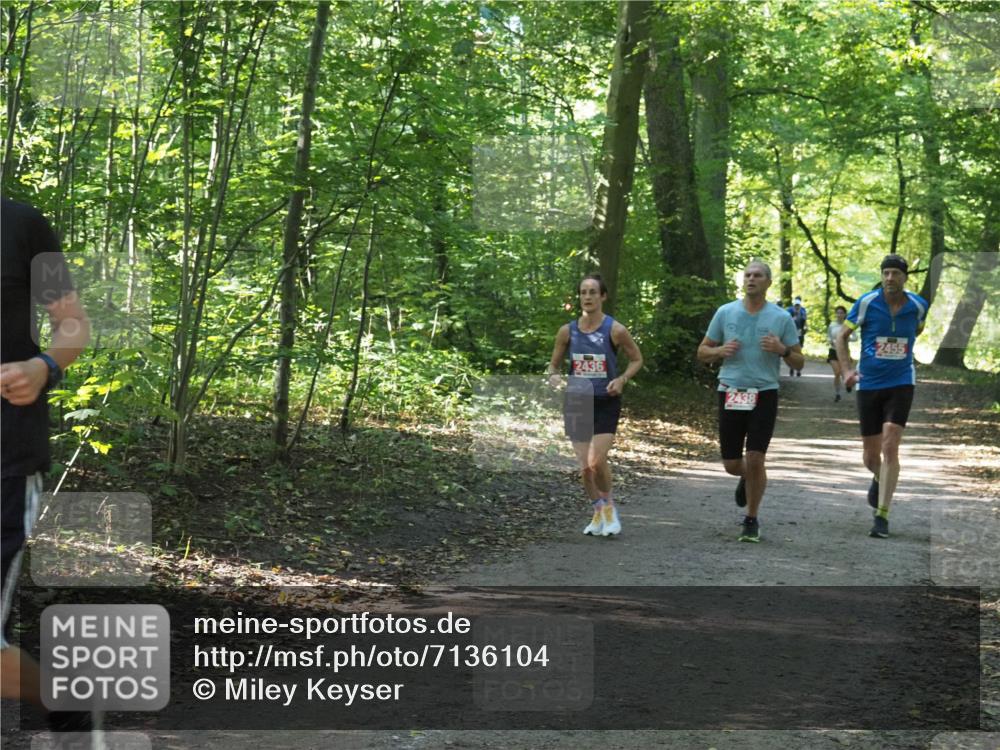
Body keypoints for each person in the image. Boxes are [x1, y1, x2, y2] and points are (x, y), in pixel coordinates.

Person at [1, 198, 95, 737]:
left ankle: (67, 696)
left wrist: (43, 367)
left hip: (4, 464)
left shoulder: (21, 224)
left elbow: (74, 325)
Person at [697, 260, 804, 542]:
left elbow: (799, 360)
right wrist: (720, 350)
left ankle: (751, 518)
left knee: (756, 457)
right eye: (747, 275)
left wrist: (782, 350)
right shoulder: (725, 312)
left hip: (764, 393)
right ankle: (749, 477)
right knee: (732, 464)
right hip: (730, 391)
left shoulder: (781, 318)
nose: (751, 279)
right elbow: (702, 352)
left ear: (768, 282)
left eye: (757, 276)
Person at [836, 254, 927, 539]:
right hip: (869, 384)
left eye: (895, 274)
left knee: (891, 444)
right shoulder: (866, 303)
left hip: (901, 381)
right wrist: (847, 371)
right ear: (882, 276)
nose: (890, 278)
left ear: (905, 277)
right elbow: (841, 337)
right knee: (870, 455)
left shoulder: (917, 306)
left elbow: (917, 330)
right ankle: (878, 476)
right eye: (886, 273)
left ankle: (882, 516)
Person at [548, 274, 642, 537]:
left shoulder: (616, 330)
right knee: (584, 467)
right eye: (583, 292)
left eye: (592, 292)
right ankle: (598, 511)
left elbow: (637, 360)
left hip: (605, 401)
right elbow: (553, 365)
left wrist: (622, 379)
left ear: (603, 296)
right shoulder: (567, 331)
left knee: (597, 461)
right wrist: (554, 377)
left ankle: (610, 510)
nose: (587, 297)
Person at [826, 305, 856, 401]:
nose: (839, 315)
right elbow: (828, 337)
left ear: (845, 314)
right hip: (833, 351)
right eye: (837, 313)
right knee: (837, 372)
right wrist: (831, 341)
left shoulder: (848, 325)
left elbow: (855, 337)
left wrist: (847, 339)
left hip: (844, 351)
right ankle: (837, 393)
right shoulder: (832, 325)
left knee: (844, 372)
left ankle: (848, 383)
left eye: (841, 313)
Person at [785, 296, 807, 376]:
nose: (797, 307)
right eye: (796, 305)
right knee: (792, 349)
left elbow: (805, 321)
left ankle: (798, 369)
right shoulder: (789, 310)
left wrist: (805, 327)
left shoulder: (803, 310)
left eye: (798, 305)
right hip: (791, 332)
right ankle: (791, 367)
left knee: (799, 349)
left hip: (799, 332)